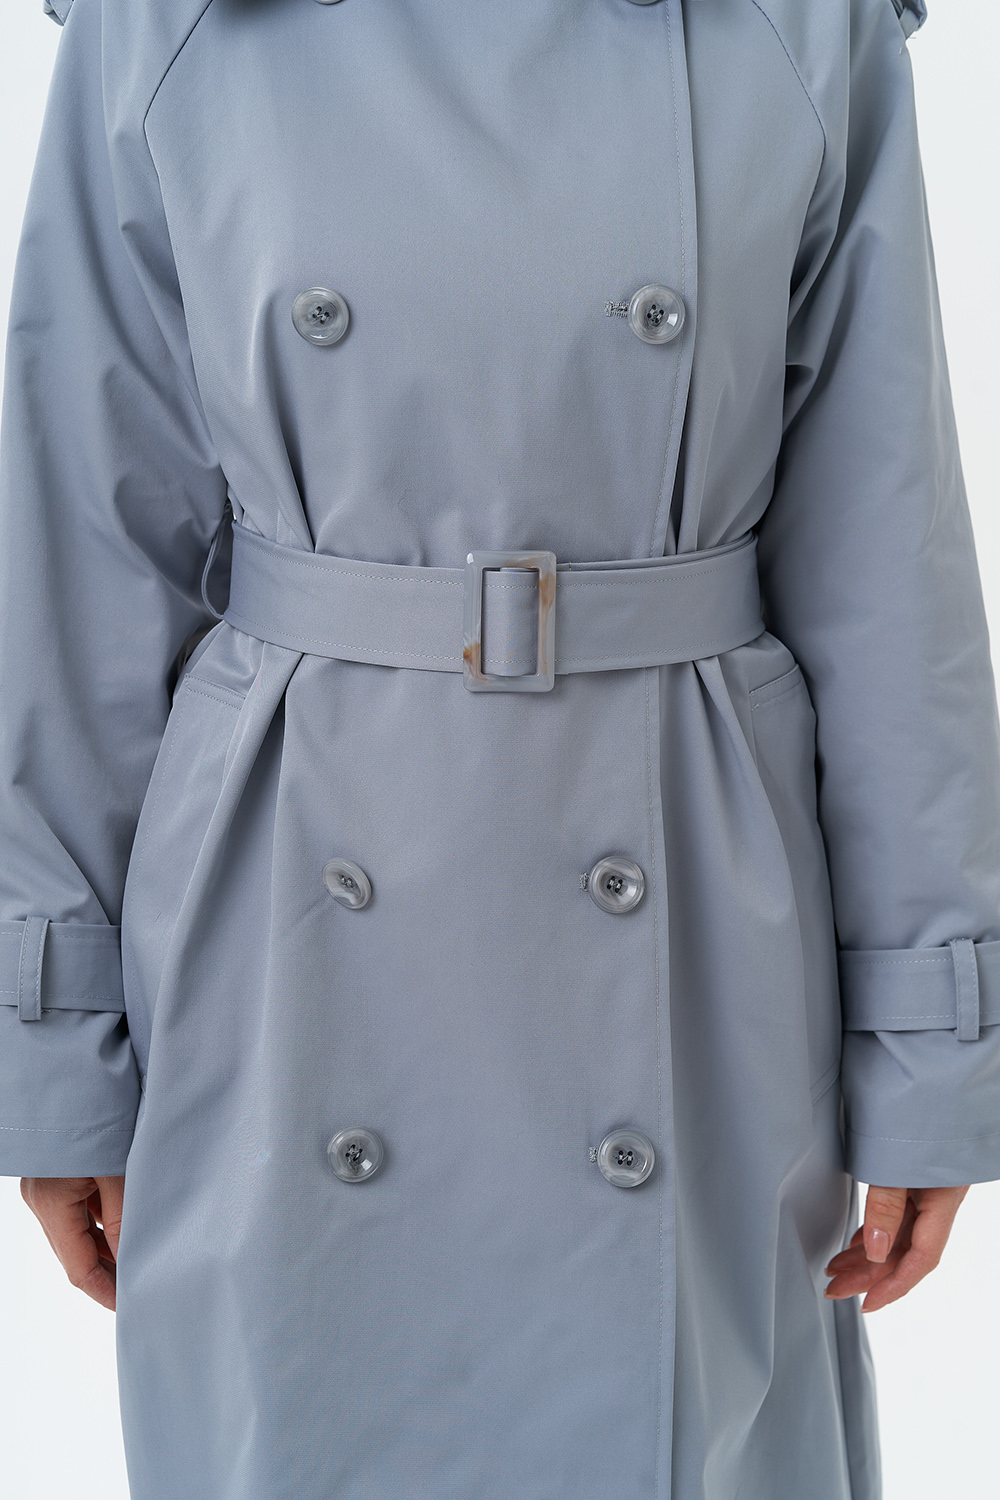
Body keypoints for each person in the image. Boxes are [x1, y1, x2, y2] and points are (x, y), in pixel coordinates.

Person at [2, 0, 998, 1495]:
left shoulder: (797, 22)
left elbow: (883, 546)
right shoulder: (168, 22)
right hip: (287, 936)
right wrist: (51, 1042)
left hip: (689, 930)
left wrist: (933, 1041)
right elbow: (84, 548)